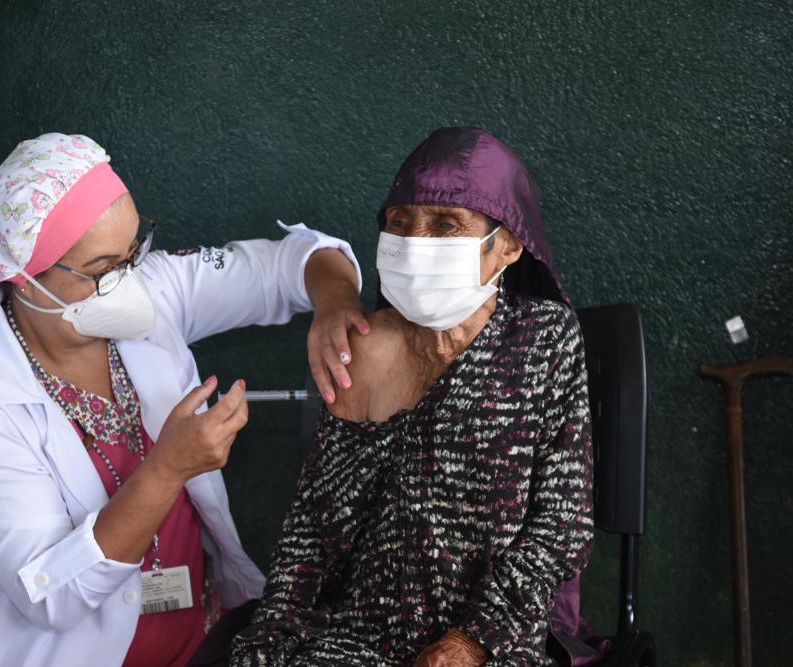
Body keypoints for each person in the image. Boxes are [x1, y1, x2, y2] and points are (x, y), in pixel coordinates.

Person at [0, 133, 367, 667]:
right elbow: (53, 595)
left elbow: (290, 265)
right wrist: (167, 469)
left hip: (191, 645)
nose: (128, 281)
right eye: (101, 270)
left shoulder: (150, 294)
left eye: (134, 252)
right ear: (23, 278)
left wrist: (336, 301)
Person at [231, 127, 595, 666]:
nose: (417, 243)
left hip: (490, 643)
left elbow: (562, 527)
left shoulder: (542, 339)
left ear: (509, 246)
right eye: (400, 224)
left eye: (447, 226)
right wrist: (268, 648)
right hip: (351, 642)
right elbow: (310, 532)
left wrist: (469, 644)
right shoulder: (363, 347)